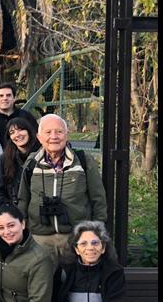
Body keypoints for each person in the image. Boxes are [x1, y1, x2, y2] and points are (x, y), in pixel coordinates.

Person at [17, 114, 108, 268]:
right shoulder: (32, 163)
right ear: (39, 137)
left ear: (67, 135)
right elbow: (23, 198)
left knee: (76, 280)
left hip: (76, 236)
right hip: (40, 238)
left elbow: (98, 197)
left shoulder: (83, 160)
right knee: (44, 280)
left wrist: (97, 230)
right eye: (48, 132)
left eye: (59, 132)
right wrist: (23, 230)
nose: (54, 137)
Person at [0, 117, 40, 211]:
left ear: (29, 131)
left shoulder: (42, 154)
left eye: (20, 130)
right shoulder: (5, 159)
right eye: (12, 132)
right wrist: (9, 211)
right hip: (15, 211)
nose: (17, 135)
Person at [0, 82, 38, 148]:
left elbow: (36, 136)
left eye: (8, 95)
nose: (5, 98)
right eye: (1, 96)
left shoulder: (26, 116)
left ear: (14, 98)